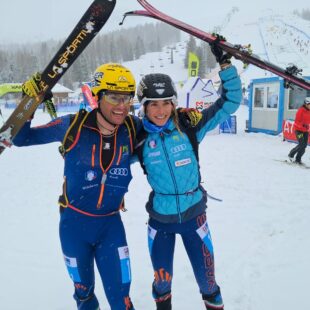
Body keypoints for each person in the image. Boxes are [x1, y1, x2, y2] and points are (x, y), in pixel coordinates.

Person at [13, 63, 140, 310]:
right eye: (114, 97)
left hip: (111, 227)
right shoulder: (71, 126)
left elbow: (163, 122)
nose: (122, 105)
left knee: (122, 301)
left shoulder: (133, 128)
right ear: (98, 95)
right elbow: (21, 138)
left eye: (127, 98)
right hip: (74, 226)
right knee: (84, 296)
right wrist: (29, 101)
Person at [134, 43, 242, 310]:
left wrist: (225, 67)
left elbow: (230, 102)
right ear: (144, 107)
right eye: (153, 105)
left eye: (166, 104)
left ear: (174, 104)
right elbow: (107, 161)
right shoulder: (138, 139)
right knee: (162, 284)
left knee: (208, 285)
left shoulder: (190, 127)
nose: (160, 111)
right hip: (160, 223)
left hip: (195, 218)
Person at [288, 96, 310, 164]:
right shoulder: (301, 110)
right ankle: (291, 154)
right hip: (298, 130)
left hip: (305, 131)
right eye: (309, 104)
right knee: (301, 144)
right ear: (306, 104)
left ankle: (298, 159)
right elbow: (297, 121)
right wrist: (303, 125)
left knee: (304, 145)